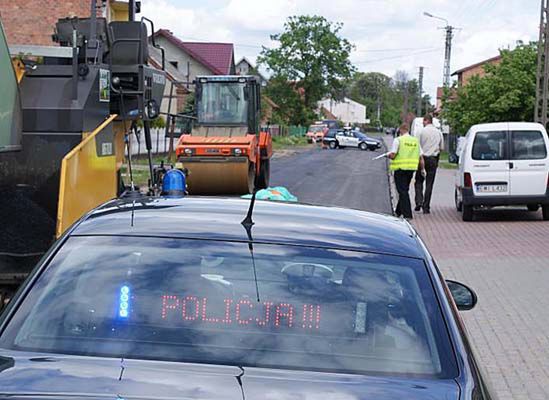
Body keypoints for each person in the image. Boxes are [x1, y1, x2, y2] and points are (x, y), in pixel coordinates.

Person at [388, 124, 425, 220]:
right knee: (404, 190)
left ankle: (407, 214)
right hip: (411, 169)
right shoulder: (415, 141)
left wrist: (388, 155)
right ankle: (398, 212)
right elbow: (421, 157)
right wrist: (422, 169)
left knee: (402, 191)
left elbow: (393, 155)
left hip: (400, 169)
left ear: (400, 130)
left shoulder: (398, 140)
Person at [414, 114, 444, 214]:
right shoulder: (438, 132)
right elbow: (442, 148)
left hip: (422, 158)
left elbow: (417, 146)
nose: (422, 123)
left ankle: (419, 201)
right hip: (433, 159)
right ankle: (426, 207)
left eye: (423, 121)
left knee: (418, 181)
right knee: (429, 184)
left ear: (426, 120)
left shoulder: (420, 131)